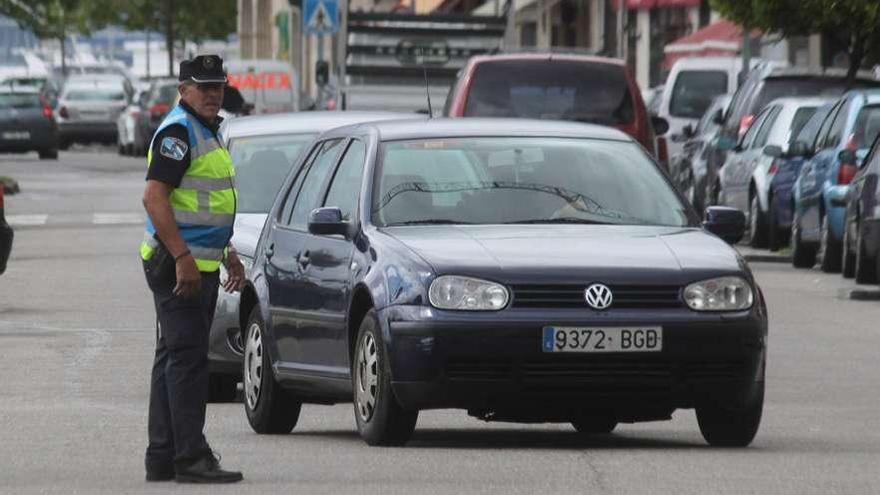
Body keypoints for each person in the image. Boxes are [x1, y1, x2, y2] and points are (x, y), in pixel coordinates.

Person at [140, 54, 245, 484]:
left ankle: (163, 456)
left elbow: (205, 207)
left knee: (173, 359)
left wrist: (228, 252)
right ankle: (191, 458)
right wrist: (183, 257)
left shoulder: (205, 131)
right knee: (187, 362)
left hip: (196, 263)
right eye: (203, 87)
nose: (212, 94)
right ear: (183, 91)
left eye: (218, 86)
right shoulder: (180, 132)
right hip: (179, 267)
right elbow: (154, 197)